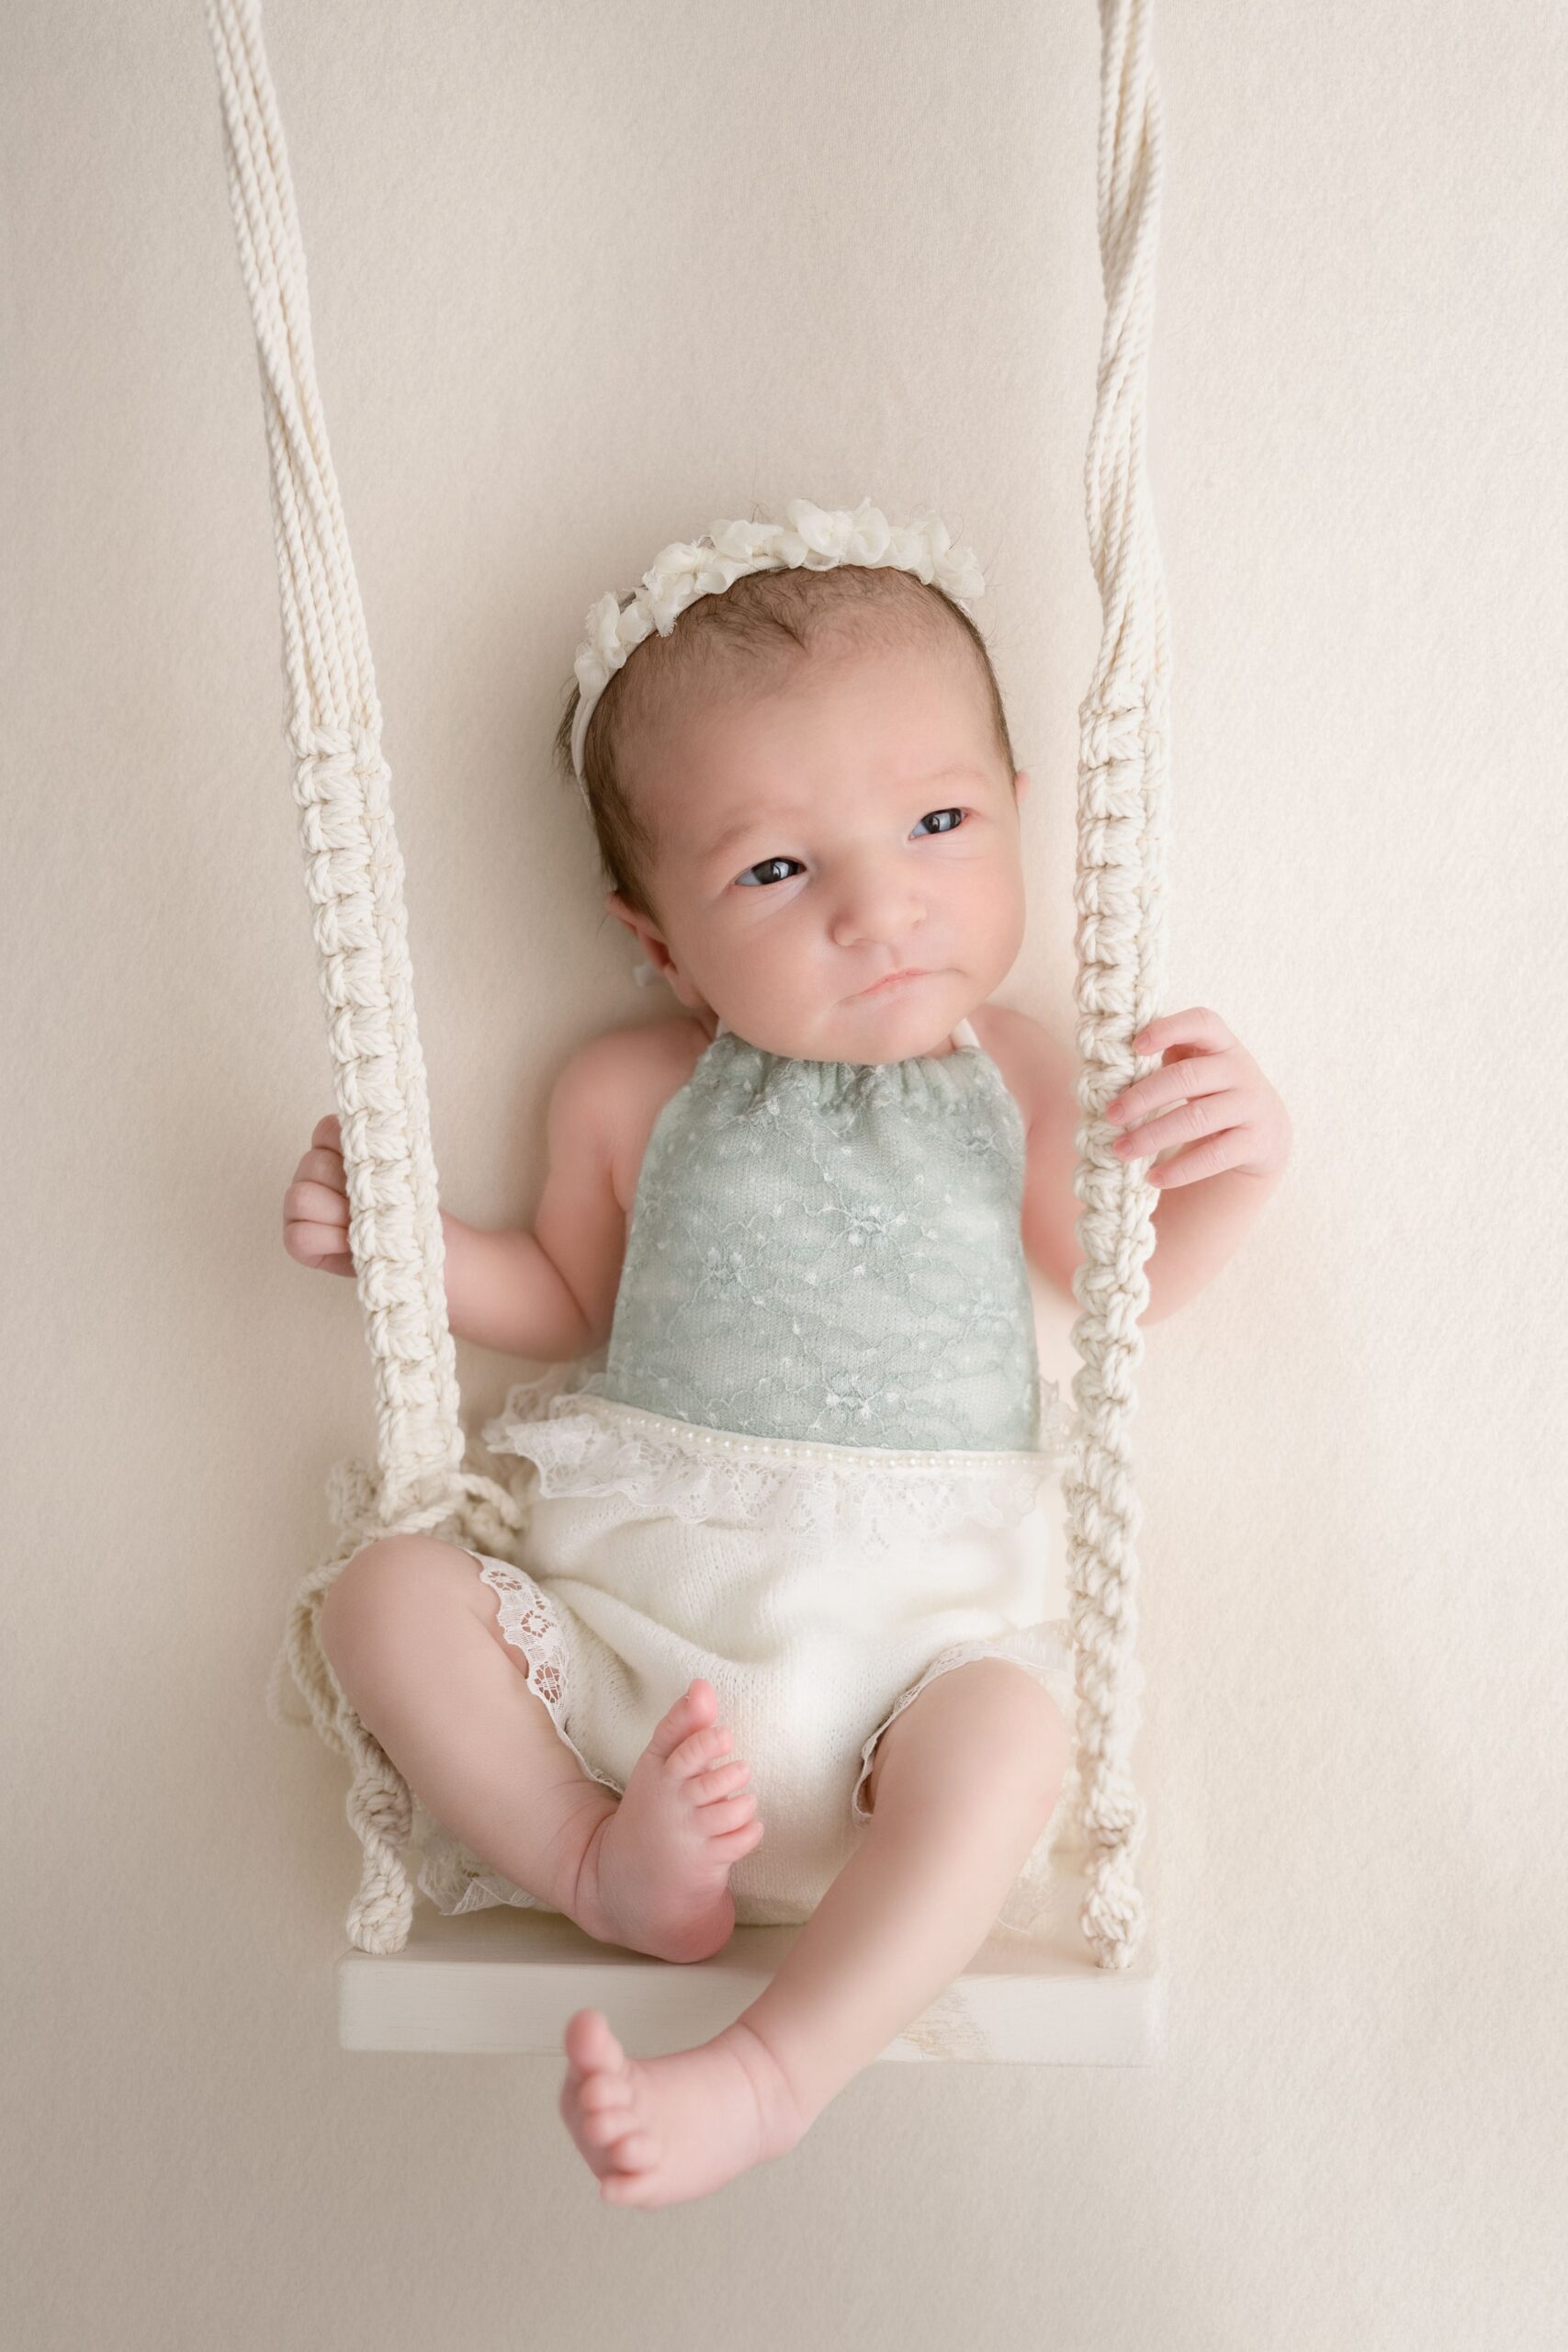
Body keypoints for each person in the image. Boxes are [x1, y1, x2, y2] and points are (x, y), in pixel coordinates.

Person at [283, 499, 1292, 2207]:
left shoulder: (1017, 1076)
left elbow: (1113, 1283)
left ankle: (771, 2068)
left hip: (912, 1655)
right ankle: (594, 1857)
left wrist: (1239, 1168)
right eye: (776, 867)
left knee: (1015, 1747)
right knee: (381, 1597)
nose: (879, 906)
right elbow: (563, 1292)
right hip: (638, 1636)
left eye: (939, 822)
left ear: (1022, 822)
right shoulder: (623, 1091)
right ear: (658, 936)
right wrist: (414, 1250)